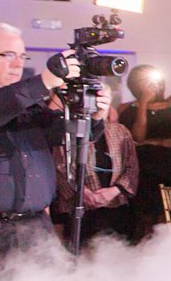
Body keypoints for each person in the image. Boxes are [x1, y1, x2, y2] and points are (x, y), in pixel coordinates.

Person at [0, 23, 107, 266]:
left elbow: (59, 134)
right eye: (8, 55)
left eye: (22, 56)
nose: (18, 64)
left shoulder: (26, 104)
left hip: (34, 229)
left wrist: (95, 116)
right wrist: (43, 82)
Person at [51, 87, 138, 246]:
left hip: (115, 203)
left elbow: (131, 167)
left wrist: (114, 191)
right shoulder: (68, 129)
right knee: (82, 254)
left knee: (118, 254)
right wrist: (83, 193)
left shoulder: (120, 130)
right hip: (79, 205)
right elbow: (61, 165)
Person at [118, 64, 171, 240]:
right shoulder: (127, 109)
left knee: (164, 210)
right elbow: (138, 136)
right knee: (142, 213)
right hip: (141, 167)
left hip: (166, 167)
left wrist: (153, 141)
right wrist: (144, 103)